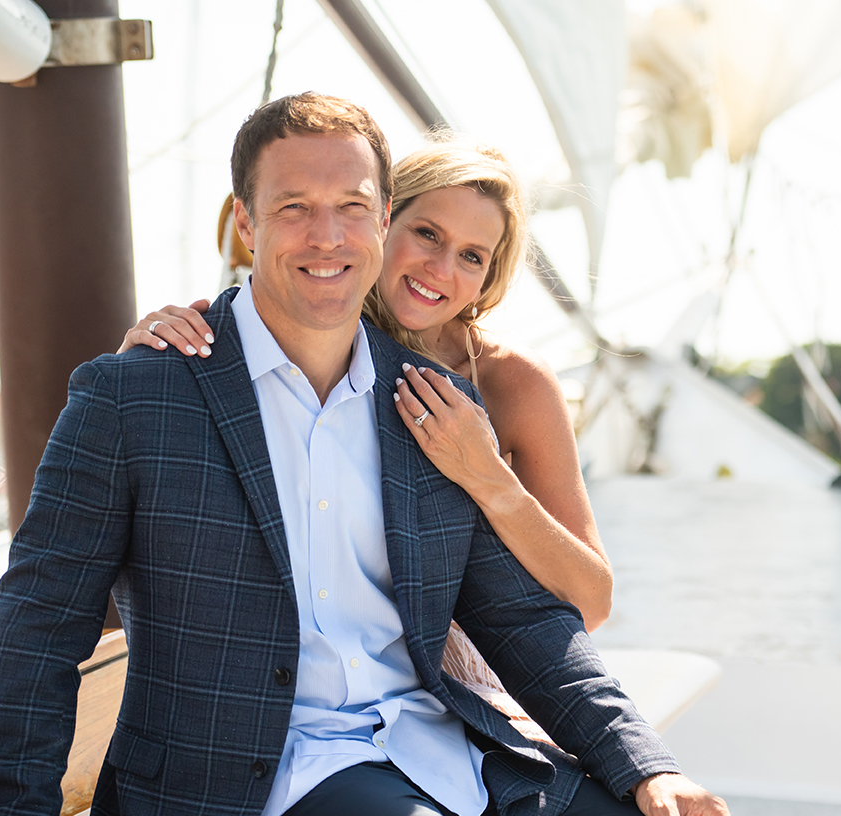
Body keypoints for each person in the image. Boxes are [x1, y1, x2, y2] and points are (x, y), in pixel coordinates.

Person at [0, 93, 755, 816]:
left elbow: (525, 620)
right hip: (251, 783)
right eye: (294, 207)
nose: (327, 236)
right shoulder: (137, 393)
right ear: (246, 223)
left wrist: (648, 766)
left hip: (429, 747)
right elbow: (42, 622)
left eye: (352, 207)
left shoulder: (435, 407)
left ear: (379, 218)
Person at [122, 135, 605, 731]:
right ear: (380, 221)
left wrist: (487, 477)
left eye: (472, 256)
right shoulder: (286, 348)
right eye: (427, 234)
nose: (441, 269)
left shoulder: (512, 383)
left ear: (489, 276)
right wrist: (147, 362)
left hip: (472, 684)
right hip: (302, 692)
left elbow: (592, 600)